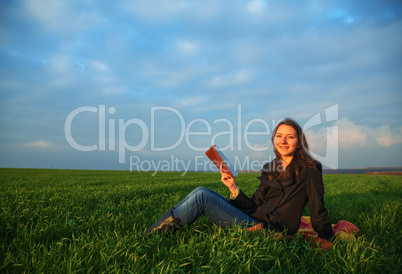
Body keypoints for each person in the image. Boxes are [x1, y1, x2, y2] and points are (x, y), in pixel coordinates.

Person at [144, 118, 335, 241]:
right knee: (200, 191)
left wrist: (328, 238)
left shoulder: (309, 169)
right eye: (279, 136)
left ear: (299, 141)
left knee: (202, 196)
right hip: (252, 220)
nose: (283, 141)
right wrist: (233, 187)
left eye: (290, 137)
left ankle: (150, 237)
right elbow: (254, 204)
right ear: (273, 139)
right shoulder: (271, 167)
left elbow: (318, 210)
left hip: (270, 231)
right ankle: (155, 233)